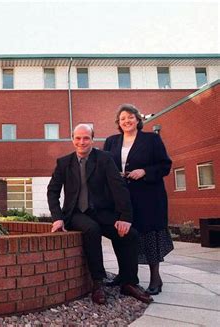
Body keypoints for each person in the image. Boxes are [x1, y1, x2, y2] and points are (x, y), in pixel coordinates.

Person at [47, 124, 153, 305]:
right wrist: (57, 217)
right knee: (92, 230)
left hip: (101, 211)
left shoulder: (104, 159)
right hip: (76, 213)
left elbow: (118, 187)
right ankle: (97, 284)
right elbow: (53, 191)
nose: (82, 142)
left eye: (86, 138)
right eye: (78, 138)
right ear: (72, 140)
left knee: (129, 234)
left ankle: (128, 282)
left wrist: (125, 218)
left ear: (92, 139)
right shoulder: (63, 163)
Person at [103, 104, 173, 295]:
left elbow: (165, 165)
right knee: (122, 235)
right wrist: (114, 174)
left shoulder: (152, 139)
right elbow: (104, 166)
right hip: (122, 199)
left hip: (149, 197)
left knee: (149, 236)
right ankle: (124, 275)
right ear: (118, 122)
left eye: (130, 117)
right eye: (123, 118)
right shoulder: (111, 142)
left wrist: (145, 171)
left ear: (138, 119)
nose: (127, 121)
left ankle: (155, 278)